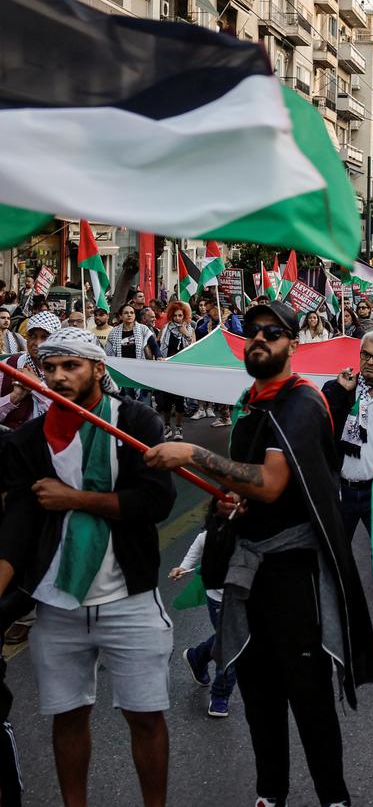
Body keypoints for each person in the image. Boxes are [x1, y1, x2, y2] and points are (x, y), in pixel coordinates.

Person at [145, 300, 373, 807]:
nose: (259, 338)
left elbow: (271, 485)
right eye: (251, 331)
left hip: (294, 575)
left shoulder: (301, 400)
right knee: (259, 695)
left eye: (273, 332)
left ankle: (334, 798)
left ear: (293, 343)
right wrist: (230, 499)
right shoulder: (250, 401)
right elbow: (249, 482)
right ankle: (269, 793)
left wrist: (192, 453)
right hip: (248, 570)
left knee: (309, 697)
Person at [0, 326, 177, 807]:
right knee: (68, 716)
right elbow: (17, 523)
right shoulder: (28, 440)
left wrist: (75, 499)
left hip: (131, 600)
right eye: (50, 367)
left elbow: (158, 500)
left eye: (71, 365)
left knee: (145, 716)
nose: (58, 376)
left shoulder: (135, 423)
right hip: (57, 604)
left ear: (99, 369)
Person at [322, 330, 373, 548]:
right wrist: (340, 390)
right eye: (365, 355)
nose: (370, 362)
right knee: (336, 555)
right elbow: (320, 422)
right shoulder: (338, 386)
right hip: (341, 491)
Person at [170, 530, 237, 718]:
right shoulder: (210, 535)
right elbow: (196, 548)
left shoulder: (256, 530)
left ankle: (198, 656)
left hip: (247, 599)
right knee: (230, 645)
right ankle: (220, 695)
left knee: (230, 638)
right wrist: (182, 568)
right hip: (219, 599)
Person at [0, 310, 58, 431]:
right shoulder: (9, 366)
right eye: (32, 336)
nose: (37, 343)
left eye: (45, 337)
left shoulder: (66, 371)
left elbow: (69, 420)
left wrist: (38, 387)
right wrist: (14, 397)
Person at [155, 300, 195, 440]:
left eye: (180, 315)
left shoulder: (190, 329)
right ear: (171, 315)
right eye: (175, 315)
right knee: (166, 401)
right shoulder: (165, 328)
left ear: (185, 316)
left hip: (181, 369)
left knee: (179, 400)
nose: (178, 318)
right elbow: (158, 344)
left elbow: (193, 349)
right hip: (167, 368)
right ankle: (167, 426)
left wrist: (186, 334)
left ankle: (178, 428)